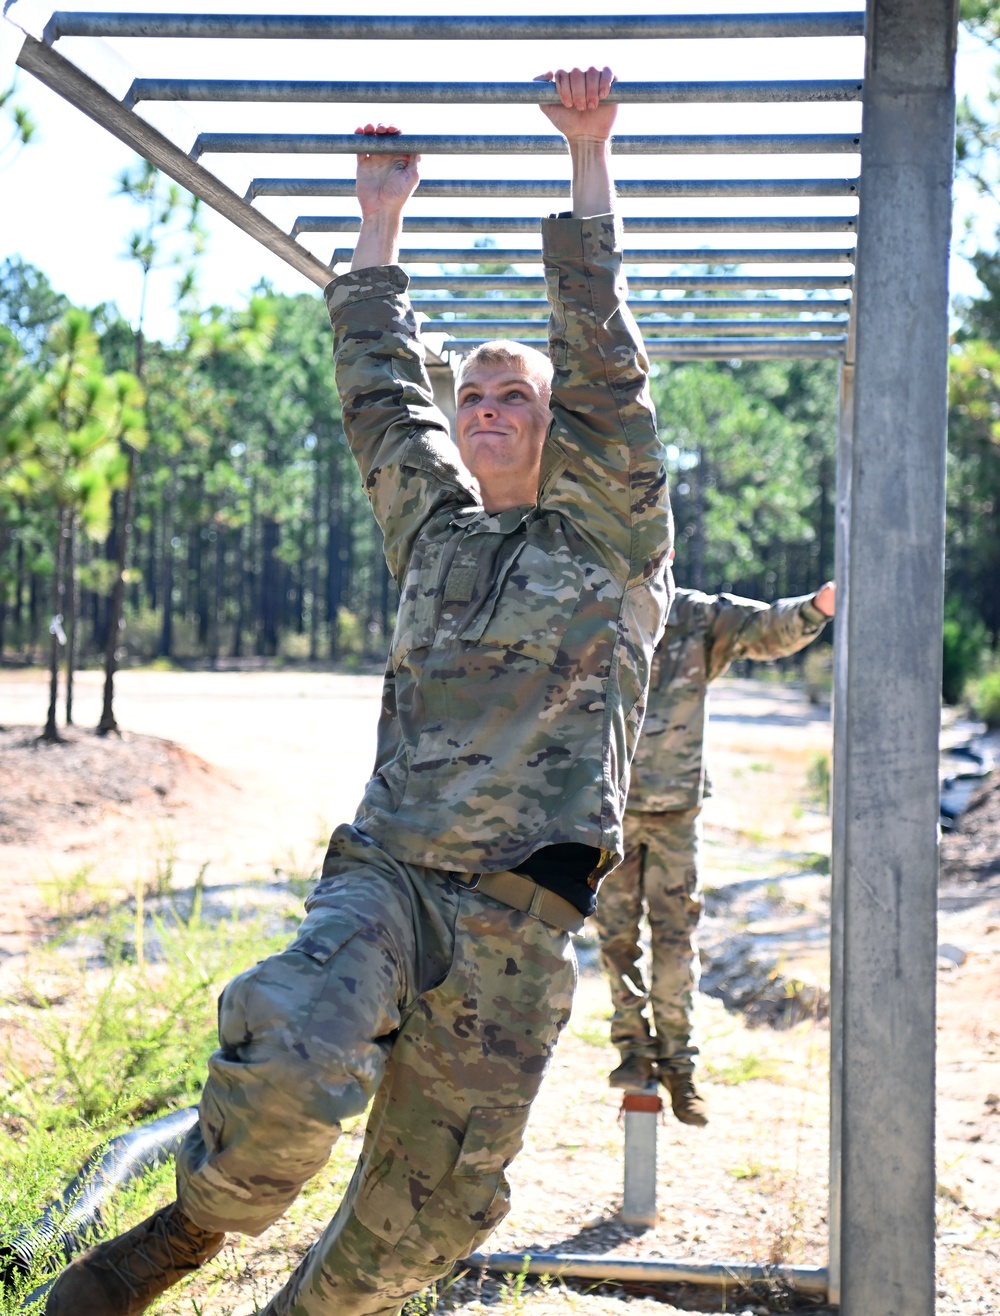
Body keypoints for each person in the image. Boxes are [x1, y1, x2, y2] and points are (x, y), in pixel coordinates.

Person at [45, 66, 672, 1316]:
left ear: (561, 429)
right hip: (386, 875)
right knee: (291, 1048)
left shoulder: (609, 538)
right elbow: (383, 393)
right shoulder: (433, 534)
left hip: (517, 924)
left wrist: (586, 159)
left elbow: (606, 367)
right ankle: (170, 1244)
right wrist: (377, 223)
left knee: (422, 1223)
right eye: (477, 395)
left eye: (516, 397)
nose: (487, 411)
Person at [595, 581, 835, 1126]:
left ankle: (680, 1065)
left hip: (675, 811)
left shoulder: (698, 617)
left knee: (676, 942)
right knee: (615, 939)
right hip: (608, 807)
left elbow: (766, 629)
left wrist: (817, 608)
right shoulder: (595, 607)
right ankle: (633, 1050)